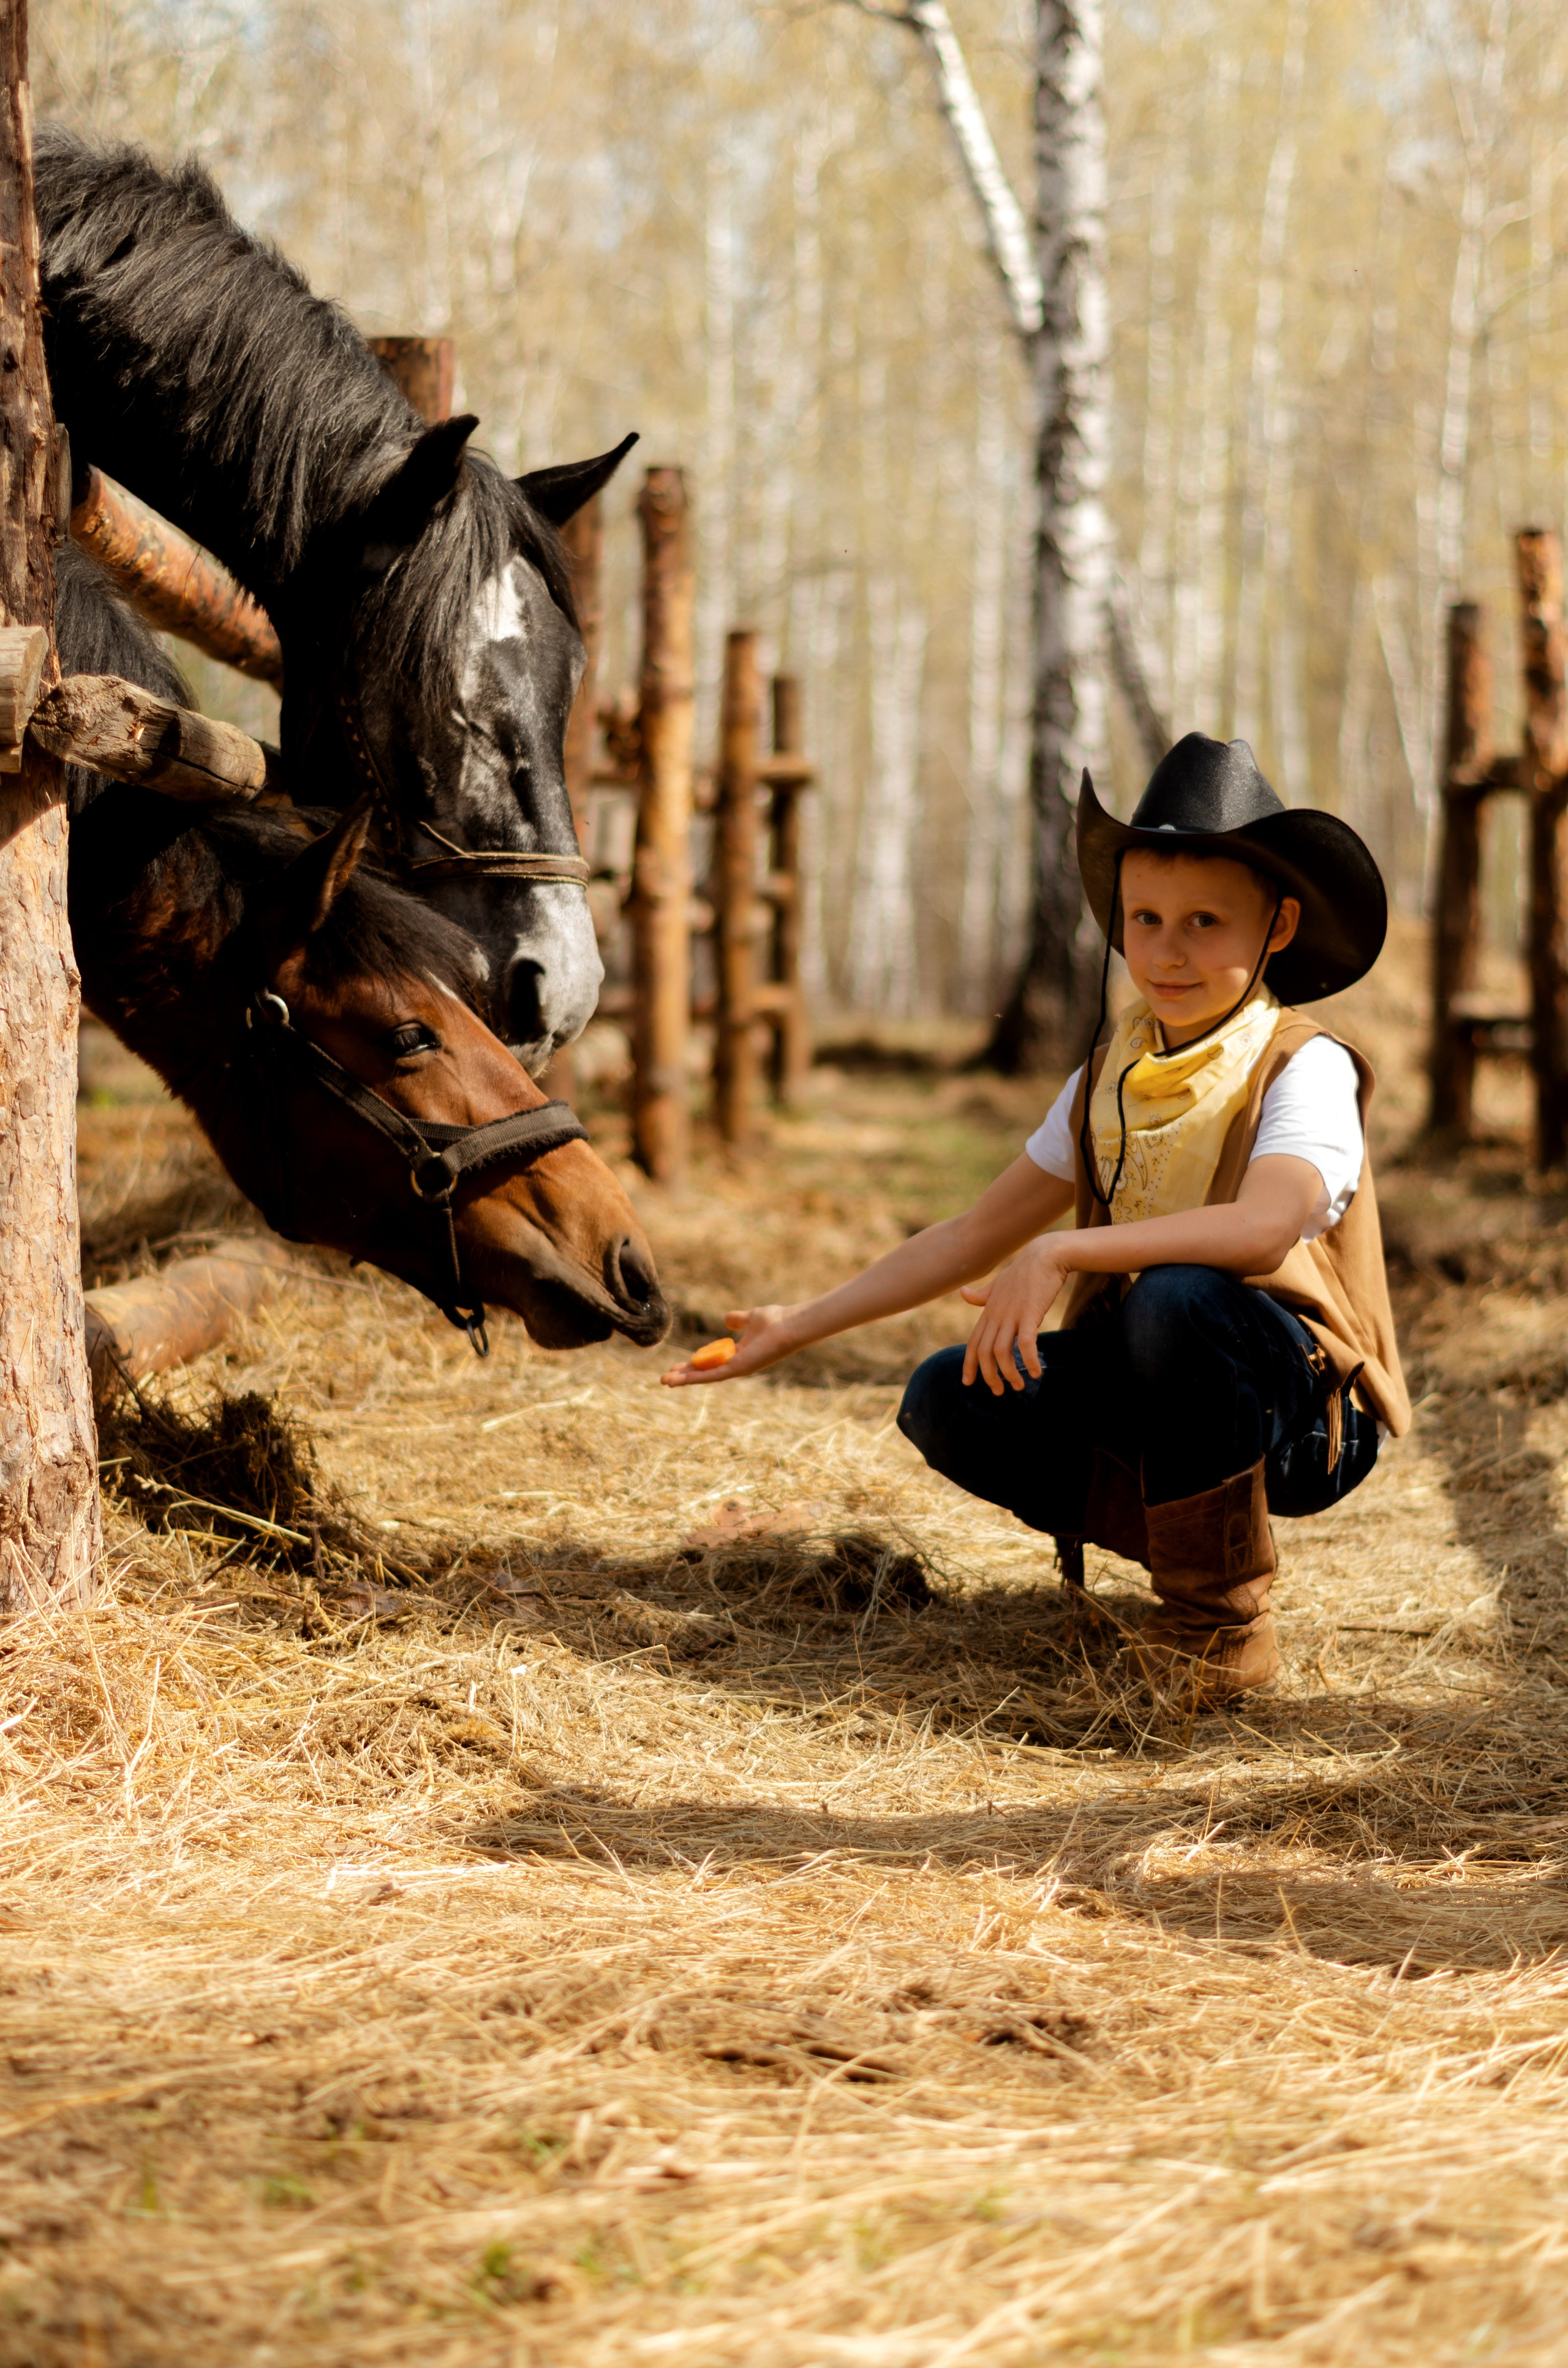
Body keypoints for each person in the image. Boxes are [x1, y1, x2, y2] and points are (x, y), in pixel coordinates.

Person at [663, 734, 1409, 1699]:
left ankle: (1222, 1632)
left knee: (1175, 1300)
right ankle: (1197, 1557)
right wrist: (795, 1325)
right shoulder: (1109, 1076)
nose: (1168, 951)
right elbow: (972, 1235)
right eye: (1144, 918)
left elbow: (1264, 1228)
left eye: (1205, 923)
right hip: (1166, 1383)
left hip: (1304, 1416)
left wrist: (1061, 1250)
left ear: (1278, 926)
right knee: (949, 1397)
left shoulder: (1302, 1064)